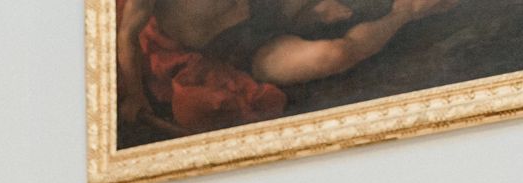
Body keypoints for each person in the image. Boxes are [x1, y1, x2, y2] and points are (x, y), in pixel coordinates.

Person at [117, 0, 460, 136]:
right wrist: (136, 98)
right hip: (241, 48)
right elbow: (126, 37)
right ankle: (408, 11)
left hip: (271, 6)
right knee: (335, 55)